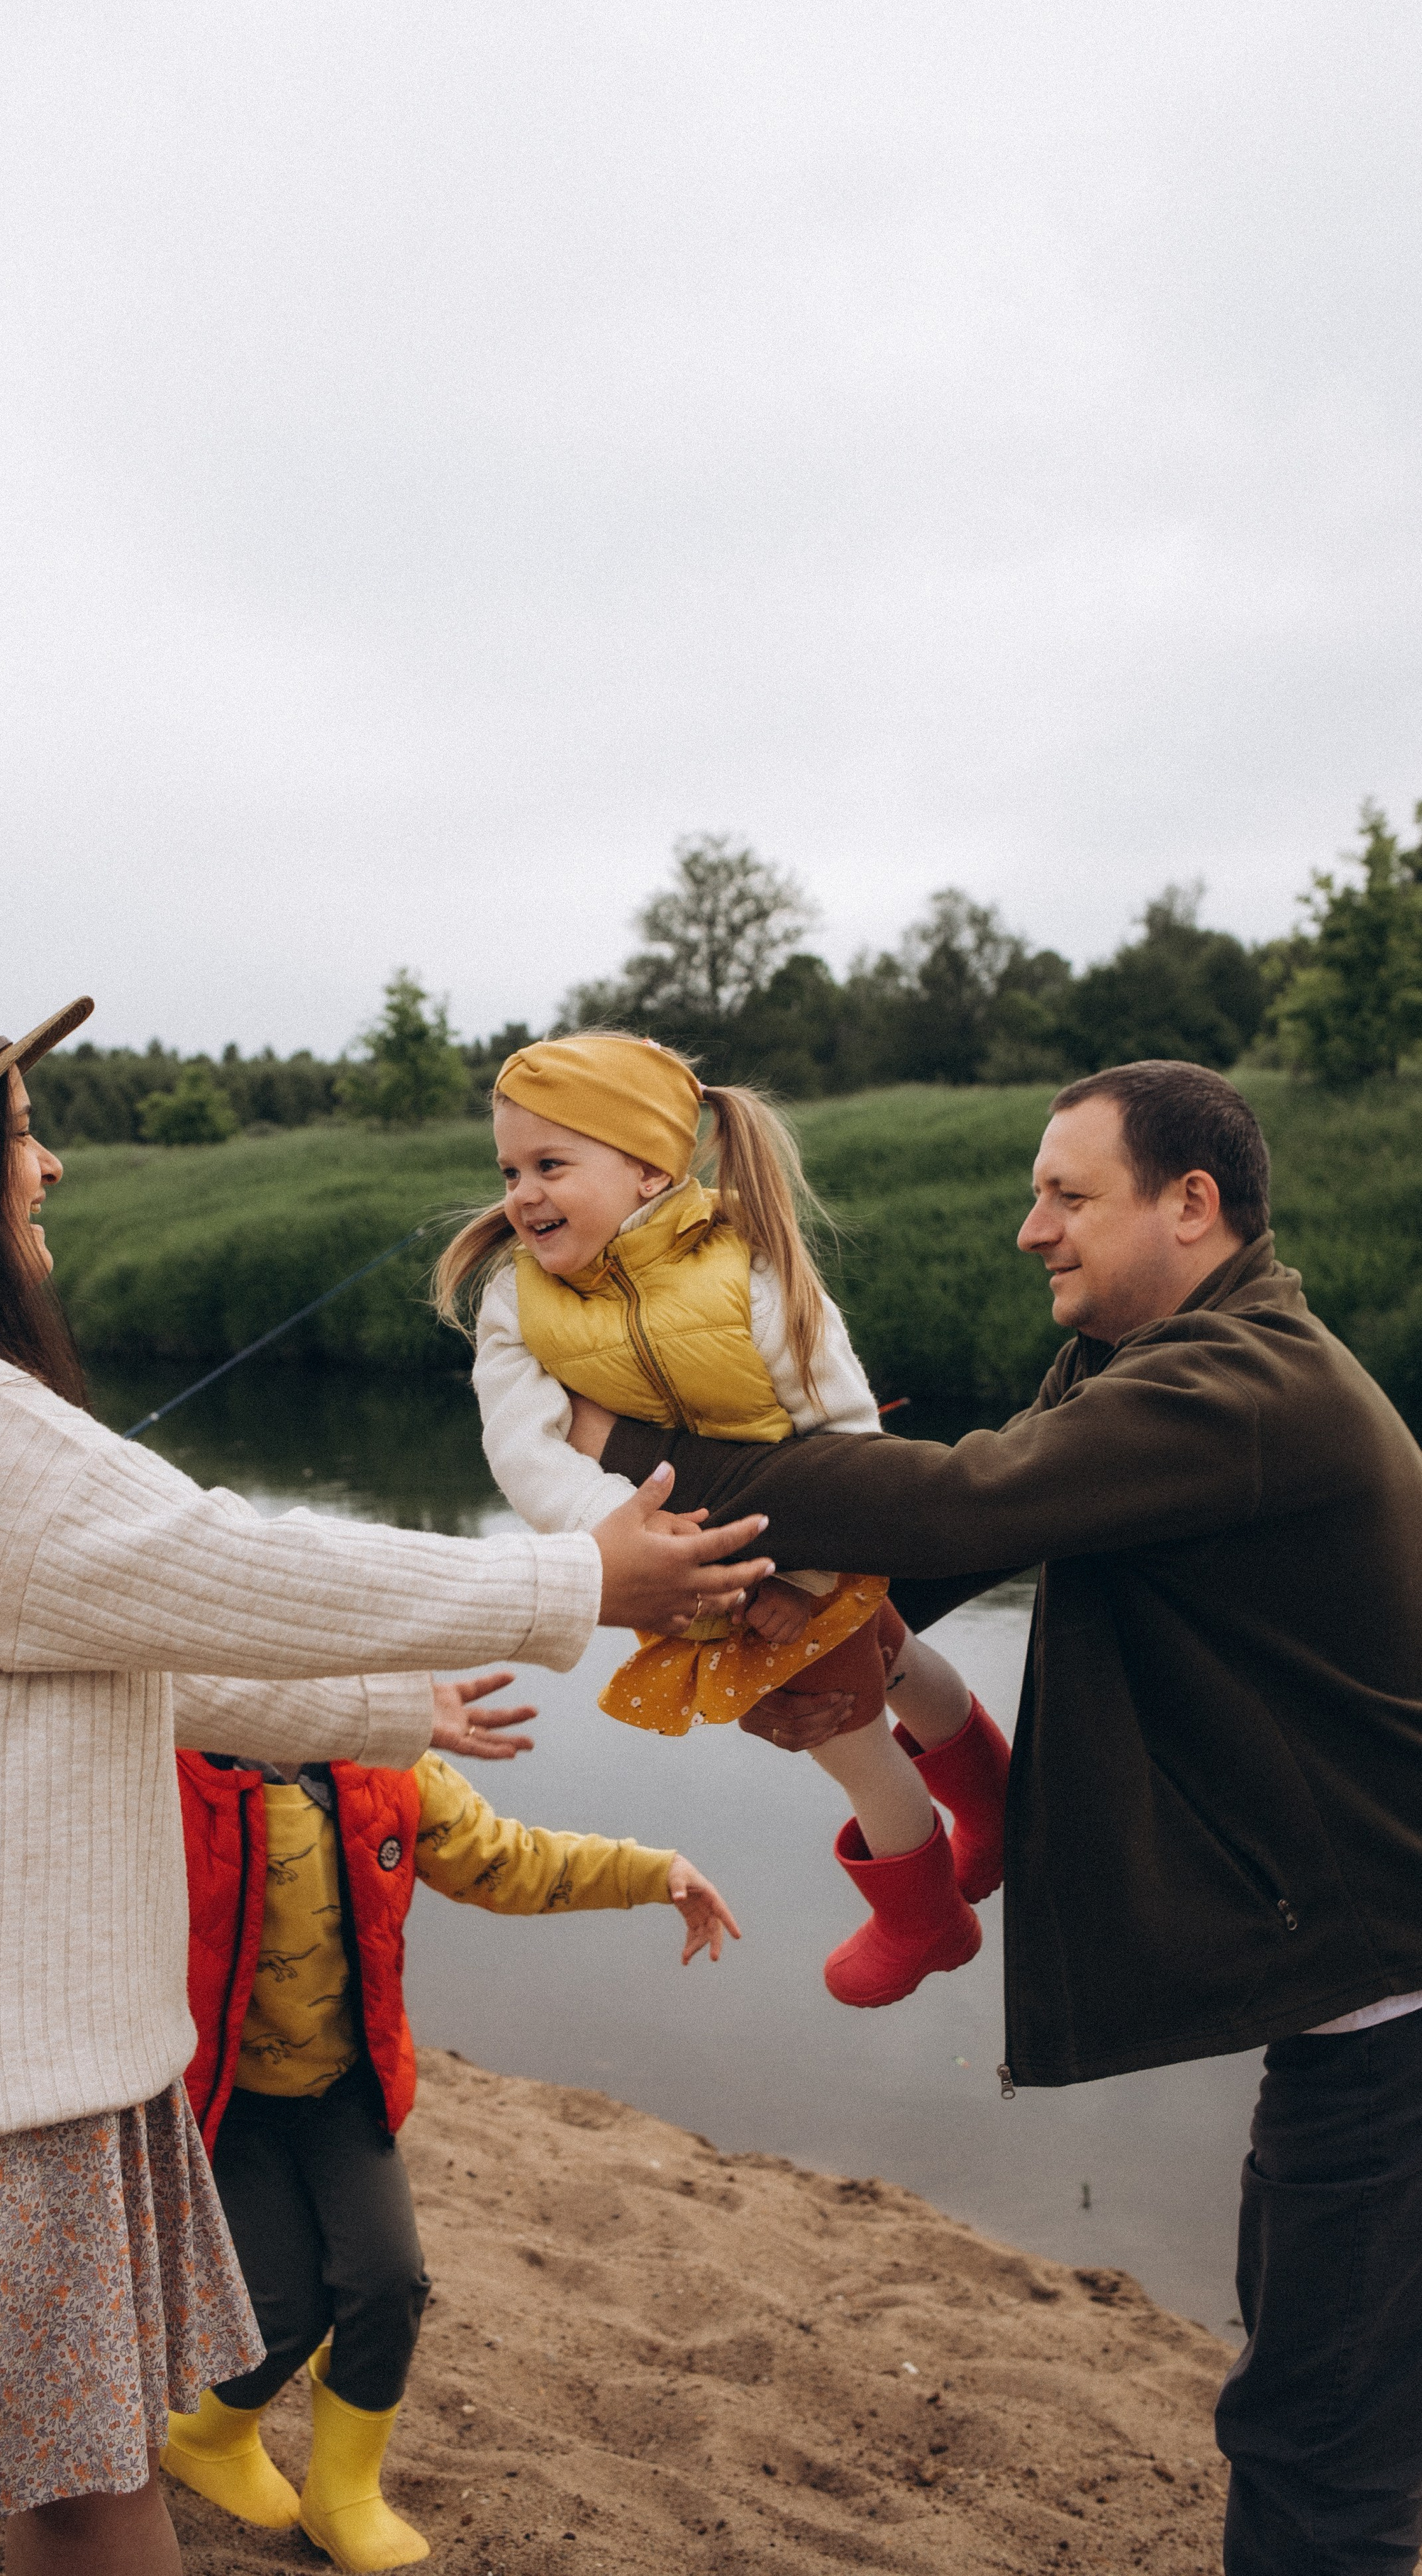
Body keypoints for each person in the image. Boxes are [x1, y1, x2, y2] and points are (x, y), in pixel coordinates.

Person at [0, 972, 772, 2576]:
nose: (49, 1164)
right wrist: (572, 1580)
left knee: (88, 2477)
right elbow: (217, 1561)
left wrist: (383, 1710)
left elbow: (125, 1645)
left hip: (7, 2078)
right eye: (21, 1134)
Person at [572, 1059, 1422, 2576]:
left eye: (1067, 1196)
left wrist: (632, 1448)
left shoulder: (1244, 1387)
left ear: (1191, 1204)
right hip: (1361, 1991)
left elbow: (967, 1499)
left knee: (1318, 2443)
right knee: (1328, 2406)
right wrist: (802, 1635)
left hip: (1395, 2004)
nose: (1031, 1229)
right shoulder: (1138, 1367)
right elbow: (941, 1556)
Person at [433, 1031, 1009, 2007]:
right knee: (895, 1656)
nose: (522, 1195)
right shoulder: (514, 1299)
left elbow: (845, 1433)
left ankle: (928, 1922)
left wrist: (807, 1581)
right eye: (510, 1170)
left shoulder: (746, 1265)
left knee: (850, 1736)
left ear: (650, 1170)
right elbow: (524, 1448)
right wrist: (621, 1529)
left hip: (809, 1552)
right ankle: (996, 1809)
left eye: (551, 1165)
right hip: (677, 1563)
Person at [160, 1728, 739, 2570]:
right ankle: (206, 2438)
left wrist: (652, 1872)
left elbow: (505, 1862)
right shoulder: (172, 1770)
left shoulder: (388, 1767)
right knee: (282, 2308)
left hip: (347, 2093)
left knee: (387, 2281)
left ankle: (343, 2493)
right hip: (222, 2103)